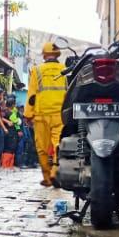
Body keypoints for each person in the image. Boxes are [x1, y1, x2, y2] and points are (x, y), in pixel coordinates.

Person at [25, 41, 68, 186]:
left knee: (42, 148)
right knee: (58, 144)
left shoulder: (37, 70)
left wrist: (28, 114)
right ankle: (56, 171)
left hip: (41, 114)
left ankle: (47, 178)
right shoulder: (65, 69)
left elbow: (32, 95)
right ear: (58, 54)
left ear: (44, 55)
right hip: (60, 114)